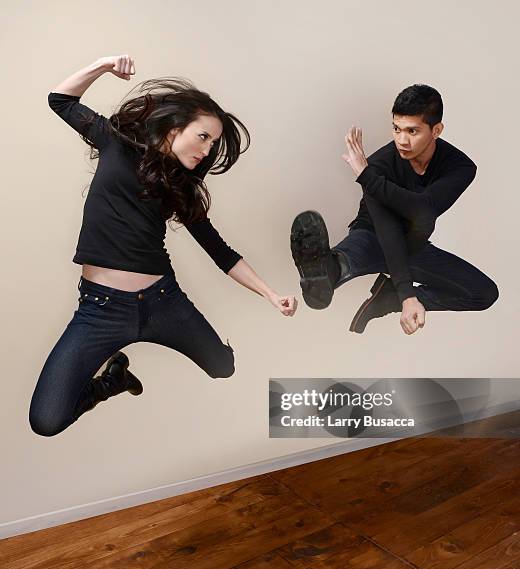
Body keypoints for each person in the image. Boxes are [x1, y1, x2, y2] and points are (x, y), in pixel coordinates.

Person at [30, 54, 297, 437]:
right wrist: (105, 66)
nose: (207, 149)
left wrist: (271, 295)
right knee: (46, 421)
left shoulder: (180, 188)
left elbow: (221, 253)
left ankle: (198, 350)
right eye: (203, 136)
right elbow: (61, 100)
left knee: (223, 366)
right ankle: (113, 381)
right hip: (100, 311)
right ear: (175, 127)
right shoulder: (115, 144)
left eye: (214, 143)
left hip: (162, 303)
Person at [290, 84, 498, 335]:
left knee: (483, 293)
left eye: (412, 131)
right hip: (373, 233)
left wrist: (367, 177)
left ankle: (385, 297)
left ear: (436, 130)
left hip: (413, 244)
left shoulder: (460, 167)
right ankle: (326, 270)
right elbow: (387, 230)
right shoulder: (379, 165)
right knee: (348, 258)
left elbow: (423, 209)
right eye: (396, 129)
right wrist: (407, 293)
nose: (402, 140)